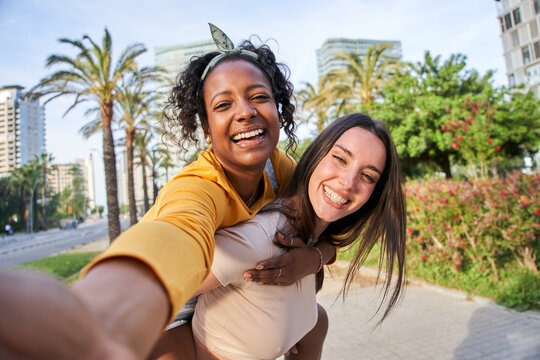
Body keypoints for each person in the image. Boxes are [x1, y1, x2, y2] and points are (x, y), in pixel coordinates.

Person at [0, 24, 336, 360]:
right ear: (206, 129)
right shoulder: (198, 186)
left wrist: (316, 257)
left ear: (277, 109)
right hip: (164, 315)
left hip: (227, 306)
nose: (245, 111)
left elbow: (332, 223)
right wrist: (91, 318)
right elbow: (174, 235)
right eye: (223, 105)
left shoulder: (280, 170)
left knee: (316, 320)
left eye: (259, 97)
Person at [152, 113, 407, 359]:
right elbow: (151, 291)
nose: (348, 182)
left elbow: (328, 248)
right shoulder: (262, 239)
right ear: (317, 155)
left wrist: (317, 257)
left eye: (367, 176)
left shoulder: (307, 230)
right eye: (340, 159)